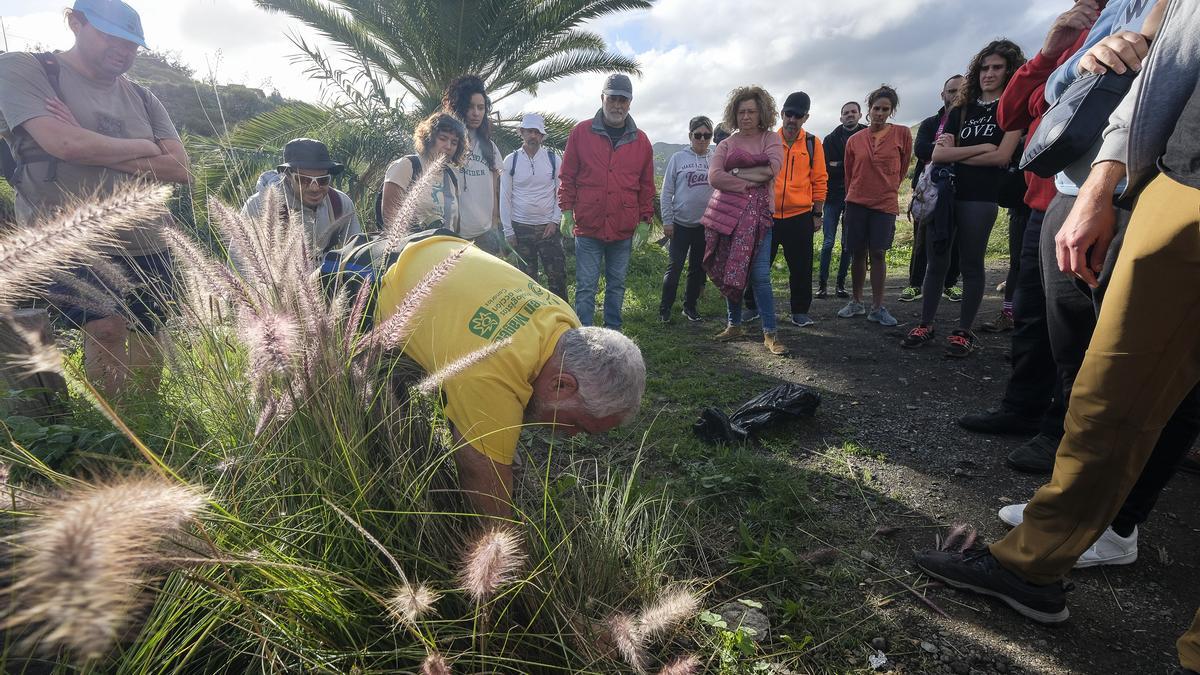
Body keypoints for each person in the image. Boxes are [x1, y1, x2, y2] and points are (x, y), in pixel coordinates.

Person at [916, 8, 1200, 673]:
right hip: (1182, 183)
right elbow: (1162, 64)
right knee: (1109, 386)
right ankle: (1034, 562)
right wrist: (1105, 177)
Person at [373, 232, 645, 518]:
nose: (573, 435)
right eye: (578, 424)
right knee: (386, 431)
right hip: (372, 280)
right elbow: (479, 471)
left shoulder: (567, 326)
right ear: (562, 384)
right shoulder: (492, 374)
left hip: (439, 247)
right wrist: (503, 539)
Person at [0, 0, 190, 396]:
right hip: (69, 237)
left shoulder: (143, 97)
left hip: (148, 238)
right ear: (75, 22)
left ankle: (146, 417)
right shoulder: (27, 69)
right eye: (110, 36)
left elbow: (178, 168)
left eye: (132, 44)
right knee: (105, 329)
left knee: (148, 332)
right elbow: (64, 144)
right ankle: (115, 421)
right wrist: (145, 147)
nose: (123, 50)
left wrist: (92, 143)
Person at [957, 0, 1097, 474]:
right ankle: (1022, 408)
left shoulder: (1131, 23)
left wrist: (1049, 87)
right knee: (1033, 313)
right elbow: (1012, 113)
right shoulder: (1070, 39)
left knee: (1074, 323)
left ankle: (1061, 431)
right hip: (1042, 200)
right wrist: (1049, 53)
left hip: (1091, 198)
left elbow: (1074, 101)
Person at [902, 40, 1026, 357]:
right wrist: (982, 148)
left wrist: (963, 153)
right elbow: (938, 154)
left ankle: (963, 331)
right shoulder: (962, 108)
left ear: (1010, 70)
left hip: (981, 196)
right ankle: (925, 324)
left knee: (971, 264)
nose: (989, 73)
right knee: (936, 262)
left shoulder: (1013, 109)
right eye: (984, 67)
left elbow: (1002, 157)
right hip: (946, 195)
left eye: (997, 67)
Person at [558, 74, 655, 331]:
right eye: (612, 99)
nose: (617, 105)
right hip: (588, 225)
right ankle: (584, 336)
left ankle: (614, 334)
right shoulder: (581, 133)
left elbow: (646, 185)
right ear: (602, 98)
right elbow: (567, 176)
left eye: (623, 100)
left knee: (617, 285)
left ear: (630, 103)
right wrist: (566, 210)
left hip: (623, 228)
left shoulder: (641, 141)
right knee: (586, 286)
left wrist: (645, 220)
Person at [704, 86, 789, 356]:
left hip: (761, 219)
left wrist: (735, 171)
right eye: (741, 112)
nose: (746, 116)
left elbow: (772, 170)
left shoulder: (770, 139)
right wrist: (748, 182)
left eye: (751, 111)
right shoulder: (727, 144)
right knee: (732, 269)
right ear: (734, 114)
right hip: (729, 216)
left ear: (761, 112)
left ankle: (770, 333)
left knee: (760, 275)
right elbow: (714, 177)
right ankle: (734, 325)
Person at [742, 91, 827, 328]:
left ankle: (800, 311)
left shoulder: (813, 143)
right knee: (757, 264)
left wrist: (817, 214)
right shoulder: (767, 140)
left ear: (805, 118)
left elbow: (820, 180)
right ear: (781, 114)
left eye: (798, 115)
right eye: (789, 114)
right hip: (767, 214)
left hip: (799, 216)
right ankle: (751, 306)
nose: (792, 119)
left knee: (801, 267)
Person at [837, 85, 912, 327]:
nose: (880, 113)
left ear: (891, 111)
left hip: (884, 203)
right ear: (868, 110)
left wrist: (887, 187)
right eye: (876, 108)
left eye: (885, 109)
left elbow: (902, 169)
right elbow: (849, 174)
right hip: (856, 202)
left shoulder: (902, 134)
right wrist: (852, 197)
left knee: (878, 252)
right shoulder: (854, 140)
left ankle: (878, 307)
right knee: (857, 252)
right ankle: (856, 301)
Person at [240, 138, 362, 258]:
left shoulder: (340, 203)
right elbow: (239, 259)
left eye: (323, 180)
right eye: (304, 180)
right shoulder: (258, 206)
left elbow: (357, 254)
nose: (314, 188)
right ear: (287, 175)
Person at [902, 75, 965, 304]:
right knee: (921, 239)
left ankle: (950, 284)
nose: (955, 95)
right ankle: (914, 284)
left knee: (955, 240)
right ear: (942, 95)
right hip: (927, 189)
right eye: (951, 91)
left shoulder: (970, 122)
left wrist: (942, 151)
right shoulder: (930, 123)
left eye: (960, 90)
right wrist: (952, 150)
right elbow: (920, 149)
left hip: (959, 187)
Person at [499, 113, 567, 300]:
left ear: (542, 136)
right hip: (521, 228)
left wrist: (555, 221)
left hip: (549, 228)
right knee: (527, 281)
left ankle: (563, 315)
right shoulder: (511, 161)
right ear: (522, 133)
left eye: (537, 132)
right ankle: (532, 317)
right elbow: (504, 197)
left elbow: (561, 192)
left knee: (557, 277)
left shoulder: (554, 159)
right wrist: (508, 231)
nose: (533, 136)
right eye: (529, 131)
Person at [657, 115, 714, 323]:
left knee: (697, 269)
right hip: (680, 224)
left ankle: (690, 307)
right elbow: (666, 192)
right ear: (690, 136)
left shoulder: (715, 159)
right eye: (698, 135)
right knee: (674, 268)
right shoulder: (678, 159)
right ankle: (665, 308)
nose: (702, 139)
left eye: (707, 135)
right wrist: (667, 221)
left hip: (704, 225)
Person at [442, 75, 504, 255]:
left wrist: (494, 221)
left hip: (485, 234)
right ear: (458, 107)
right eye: (470, 107)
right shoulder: (447, 145)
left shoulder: (490, 147)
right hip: (453, 236)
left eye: (481, 107)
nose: (476, 113)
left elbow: (495, 187)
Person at [380, 112, 466, 232]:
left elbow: (455, 222)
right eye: (443, 139)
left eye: (454, 142)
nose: (448, 146)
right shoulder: (407, 166)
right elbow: (390, 218)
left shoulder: (452, 176)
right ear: (428, 138)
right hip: (410, 242)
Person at [819, 101, 866, 299]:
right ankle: (822, 286)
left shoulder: (867, 134)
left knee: (848, 243)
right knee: (828, 242)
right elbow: (826, 168)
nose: (849, 115)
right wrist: (850, 166)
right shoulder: (830, 139)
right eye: (846, 113)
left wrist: (839, 165)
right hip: (832, 196)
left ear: (860, 115)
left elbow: (867, 166)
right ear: (841, 117)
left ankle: (840, 285)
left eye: (853, 112)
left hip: (856, 196)